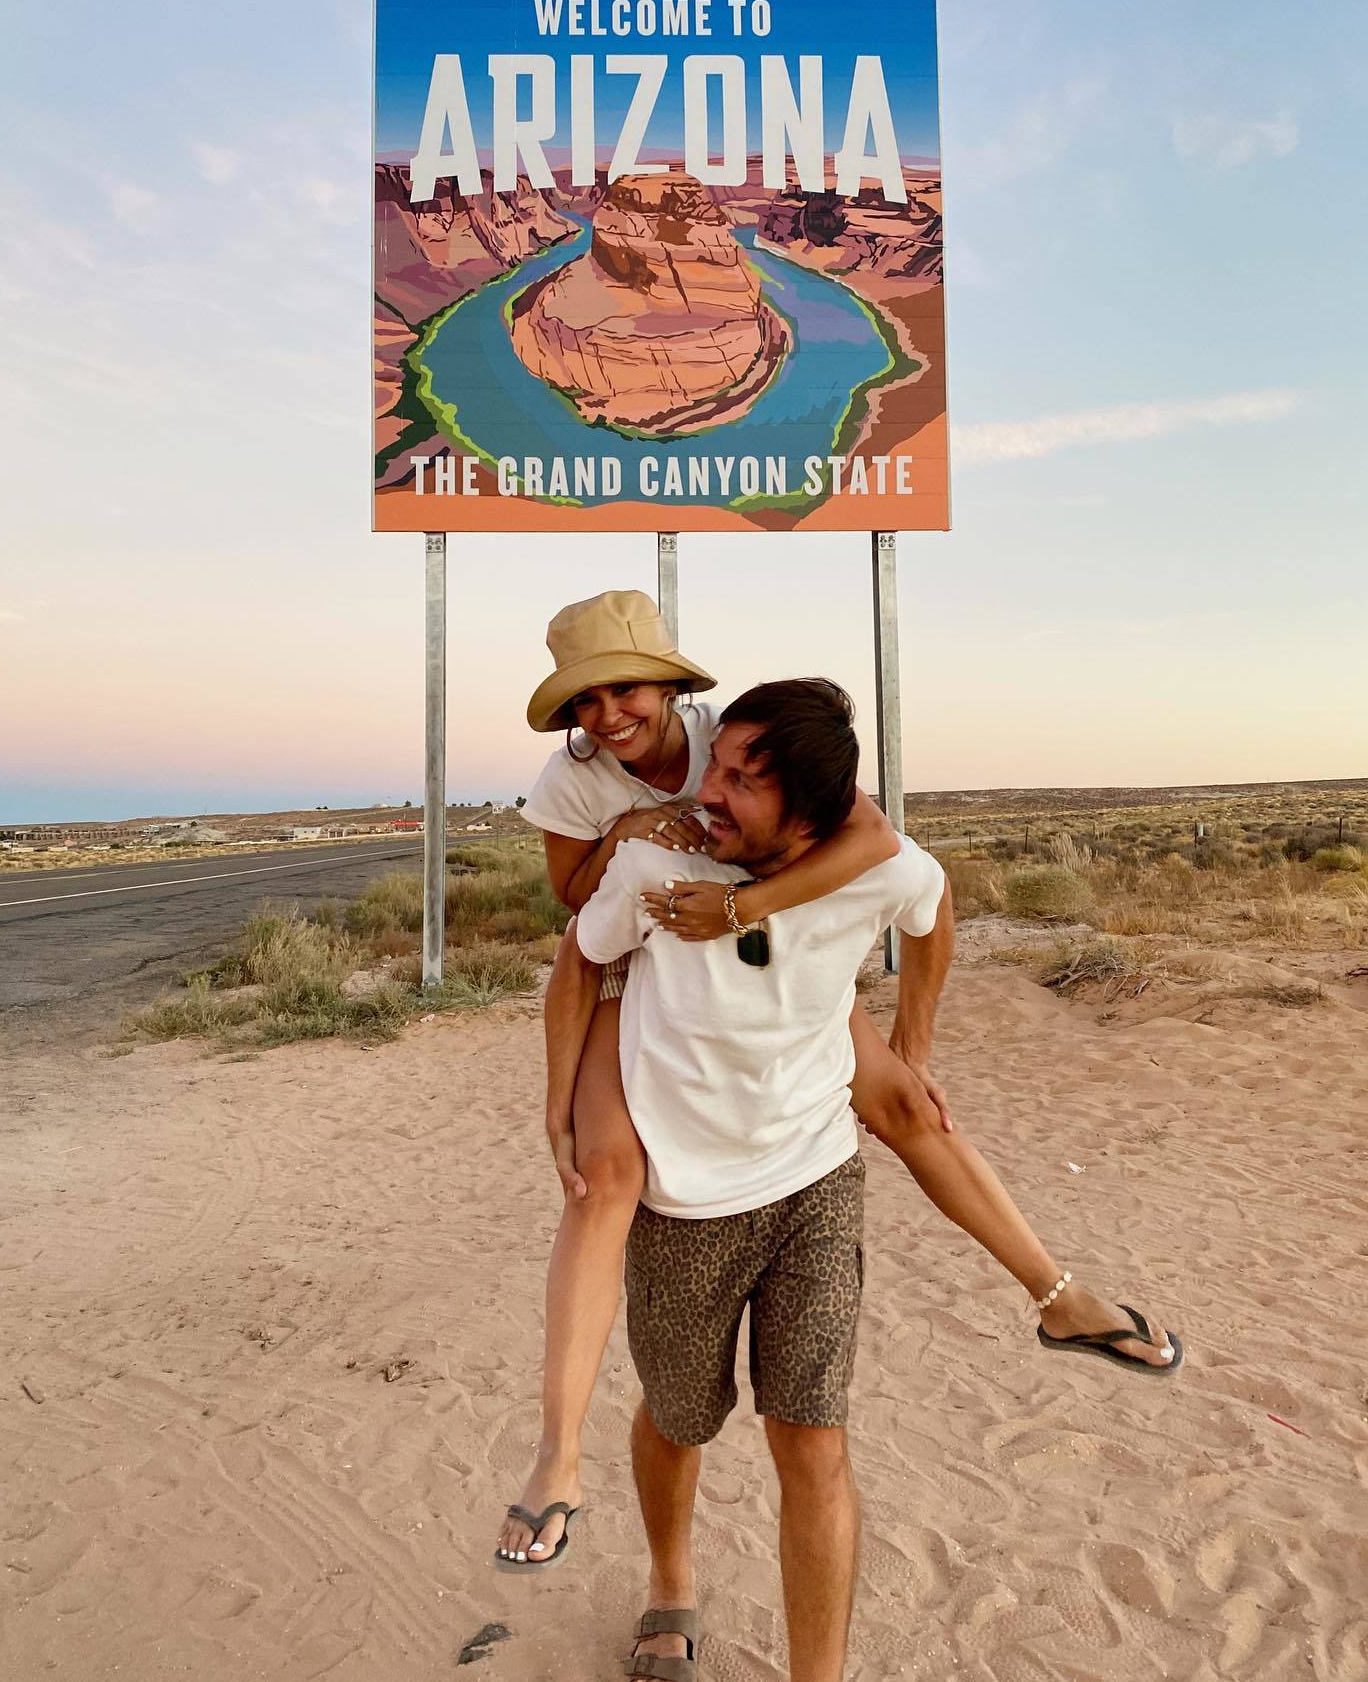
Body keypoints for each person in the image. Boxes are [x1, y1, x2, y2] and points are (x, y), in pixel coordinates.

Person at [495, 594, 1180, 1576]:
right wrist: (632, 840)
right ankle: (558, 1451)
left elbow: (878, 846)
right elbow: (575, 914)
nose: (608, 714)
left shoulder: (741, 736)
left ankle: (1058, 1294)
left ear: (672, 687)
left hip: (745, 936)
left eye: (626, 689)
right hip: (634, 954)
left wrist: (900, 1030)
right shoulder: (573, 783)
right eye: (585, 700)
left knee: (904, 1103)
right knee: (603, 1175)